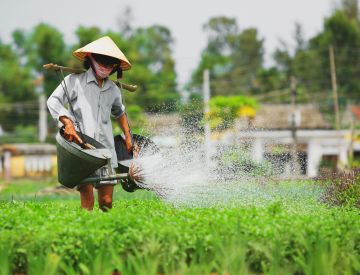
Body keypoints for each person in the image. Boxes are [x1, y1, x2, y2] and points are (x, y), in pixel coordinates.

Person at [47, 36, 133, 211]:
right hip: (82, 150)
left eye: (110, 64)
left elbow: (120, 112)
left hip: (106, 151)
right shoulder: (74, 81)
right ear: (91, 58)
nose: (106, 67)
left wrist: (129, 137)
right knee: (87, 203)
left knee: (107, 202)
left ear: (115, 67)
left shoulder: (113, 89)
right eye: (102, 61)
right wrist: (66, 122)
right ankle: (87, 232)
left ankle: (105, 234)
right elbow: (53, 101)